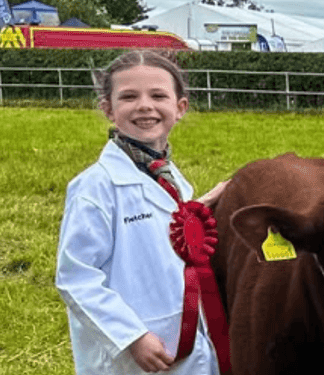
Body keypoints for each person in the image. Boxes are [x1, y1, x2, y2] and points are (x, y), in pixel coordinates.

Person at [56, 51, 227, 374]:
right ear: (108, 109)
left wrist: (197, 210)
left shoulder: (170, 177)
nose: (145, 106)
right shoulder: (96, 187)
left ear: (180, 108)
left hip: (185, 342)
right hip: (134, 353)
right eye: (129, 96)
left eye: (158, 95)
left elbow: (158, 230)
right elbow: (76, 278)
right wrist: (131, 337)